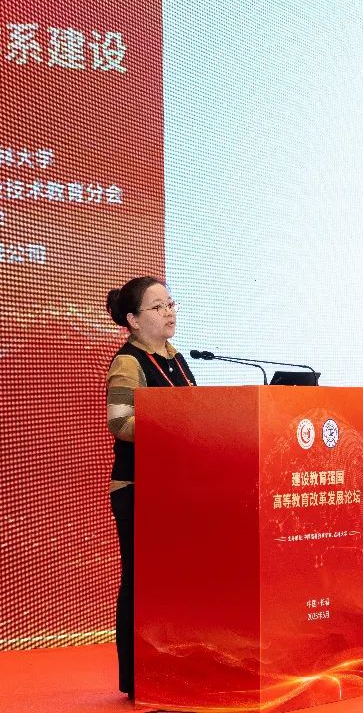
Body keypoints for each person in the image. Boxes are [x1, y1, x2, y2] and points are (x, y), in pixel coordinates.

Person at [104, 276, 196, 699]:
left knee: (178, 582)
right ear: (134, 320)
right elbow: (120, 423)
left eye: (171, 304)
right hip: (139, 487)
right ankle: (136, 677)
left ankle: (174, 670)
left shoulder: (177, 360)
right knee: (142, 581)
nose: (169, 312)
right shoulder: (129, 362)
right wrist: (173, 425)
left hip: (177, 486)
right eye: (158, 307)